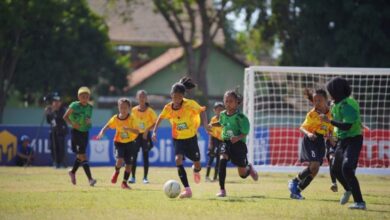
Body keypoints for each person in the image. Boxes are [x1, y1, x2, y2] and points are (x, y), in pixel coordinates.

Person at [152, 80, 210, 199]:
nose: (176, 99)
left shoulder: (190, 104)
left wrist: (205, 124)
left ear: (183, 96)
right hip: (178, 139)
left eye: (179, 96)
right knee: (178, 159)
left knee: (197, 164)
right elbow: (160, 117)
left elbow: (202, 111)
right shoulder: (168, 107)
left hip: (191, 138)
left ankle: (196, 170)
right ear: (171, 95)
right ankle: (187, 190)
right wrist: (154, 131)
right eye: (174, 96)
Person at [321, 77, 366, 210]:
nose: (329, 93)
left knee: (346, 167)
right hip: (342, 140)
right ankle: (348, 189)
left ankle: (360, 202)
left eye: (330, 90)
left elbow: (346, 126)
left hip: (354, 139)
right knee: (335, 167)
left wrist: (330, 122)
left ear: (337, 90)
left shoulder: (349, 104)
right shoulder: (335, 103)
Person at [288, 89, 334, 200]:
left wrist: (331, 137)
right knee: (314, 166)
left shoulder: (331, 114)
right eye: (315, 100)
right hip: (311, 140)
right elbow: (302, 127)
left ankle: (297, 192)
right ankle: (294, 181)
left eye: (320, 100)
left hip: (321, 141)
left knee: (315, 170)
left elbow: (331, 129)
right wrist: (308, 134)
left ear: (326, 100)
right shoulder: (312, 114)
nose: (317, 103)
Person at [212, 90, 258, 197]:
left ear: (237, 102)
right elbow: (221, 123)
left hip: (238, 146)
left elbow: (245, 132)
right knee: (222, 160)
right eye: (226, 101)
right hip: (226, 142)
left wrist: (237, 138)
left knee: (242, 174)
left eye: (231, 101)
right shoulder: (222, 114)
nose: (228, 103)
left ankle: (248, 169)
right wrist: (212, 125)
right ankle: (222, 190)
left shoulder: (241, 117)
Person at [97, 98, 139, 189]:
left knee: (129, 165)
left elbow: (137, 131)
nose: (123, 109)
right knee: (120, 161)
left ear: (129, 108)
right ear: (118, 108)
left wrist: (128, 129)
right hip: (119, 142)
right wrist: (102, 132)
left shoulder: (132, 118)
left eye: (125, 108)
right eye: (121, 107)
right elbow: (107, 126)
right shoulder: (115, 118)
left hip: (130, 143)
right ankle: (116, 172)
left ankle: (124, 183)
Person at [63, 86, 96, 186]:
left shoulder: (90, 107)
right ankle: (90, 179)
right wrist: (72, 124)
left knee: (80, 155)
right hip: (76, 132)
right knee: (83, 155)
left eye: (86, 96)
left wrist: (89, 122)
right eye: (82, 96)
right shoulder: (74, 105)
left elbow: (89, 122)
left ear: (89, 97)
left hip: (85, 132)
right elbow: (65, 117)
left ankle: (72, 172)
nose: (84, 97)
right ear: (78, 96)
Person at [129, 90, 157, 184]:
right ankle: (132, 177)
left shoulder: (150, 111)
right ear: (137, 98)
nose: (142, 98)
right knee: (134, 156)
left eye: (143, 96)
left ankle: (145, 178)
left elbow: (155, 123)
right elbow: (131, 122)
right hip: (136, 136)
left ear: (146, 98)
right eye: (140, 96)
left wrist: (147, 130)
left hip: (145, 136)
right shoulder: (133, 110)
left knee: (145, 156)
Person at [45, 93, 68, 168]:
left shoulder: (63, 110)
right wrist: (48, 114)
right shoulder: (51, 110)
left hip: (61, 131)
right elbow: (49, 121)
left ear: (60, 103)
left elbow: (60, 118)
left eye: (58, 102)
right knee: (53, 147)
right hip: (53, 131)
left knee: (61, 148)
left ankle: (62, 163)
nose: (56, 103)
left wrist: (52, 112)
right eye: (54, 101)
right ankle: (55, 162)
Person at [205, 102, 225, 182]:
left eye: (221, 109)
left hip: (221, 141)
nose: (219, 111)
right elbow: (210, 131)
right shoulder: (213, 119)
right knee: (211, 158)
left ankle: (215, 177)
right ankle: (207, 176)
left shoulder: (224, 119)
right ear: (214, 110)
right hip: (214, 140)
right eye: (218, 109)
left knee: (218, 159)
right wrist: (210, 143)